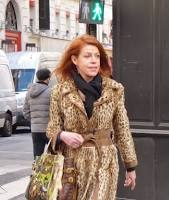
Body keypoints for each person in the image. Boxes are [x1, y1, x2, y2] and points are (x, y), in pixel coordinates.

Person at [46, 34, 138, 200]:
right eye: (87, 56)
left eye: (97, 56)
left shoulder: (114, 90)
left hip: (104, 162)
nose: (94, 60)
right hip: (72, 166)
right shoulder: (60, 92)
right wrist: (62, 135)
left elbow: (122, 129)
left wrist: (130, 167)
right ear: (75, 60)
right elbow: (52, 127)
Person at [23, 68, 51, 158]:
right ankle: (54, 172)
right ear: (48, 78)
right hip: (49, 130)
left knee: (37, 156)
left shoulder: (29, 92)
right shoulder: (51, 92)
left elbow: (25, 112)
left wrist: (34, 121)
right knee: (55, 155)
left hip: (35, 130)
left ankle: (37, 172)